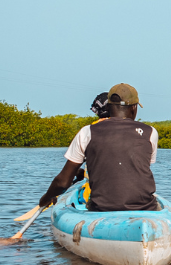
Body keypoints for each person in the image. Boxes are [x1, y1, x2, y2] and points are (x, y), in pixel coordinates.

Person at [38, 83, 159, 211]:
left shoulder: (87, 132)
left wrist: (46, 198)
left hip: (101, 208)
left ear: (110, 107)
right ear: (134, 108)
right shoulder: (150, 132)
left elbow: (62, 182)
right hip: (145, 208)